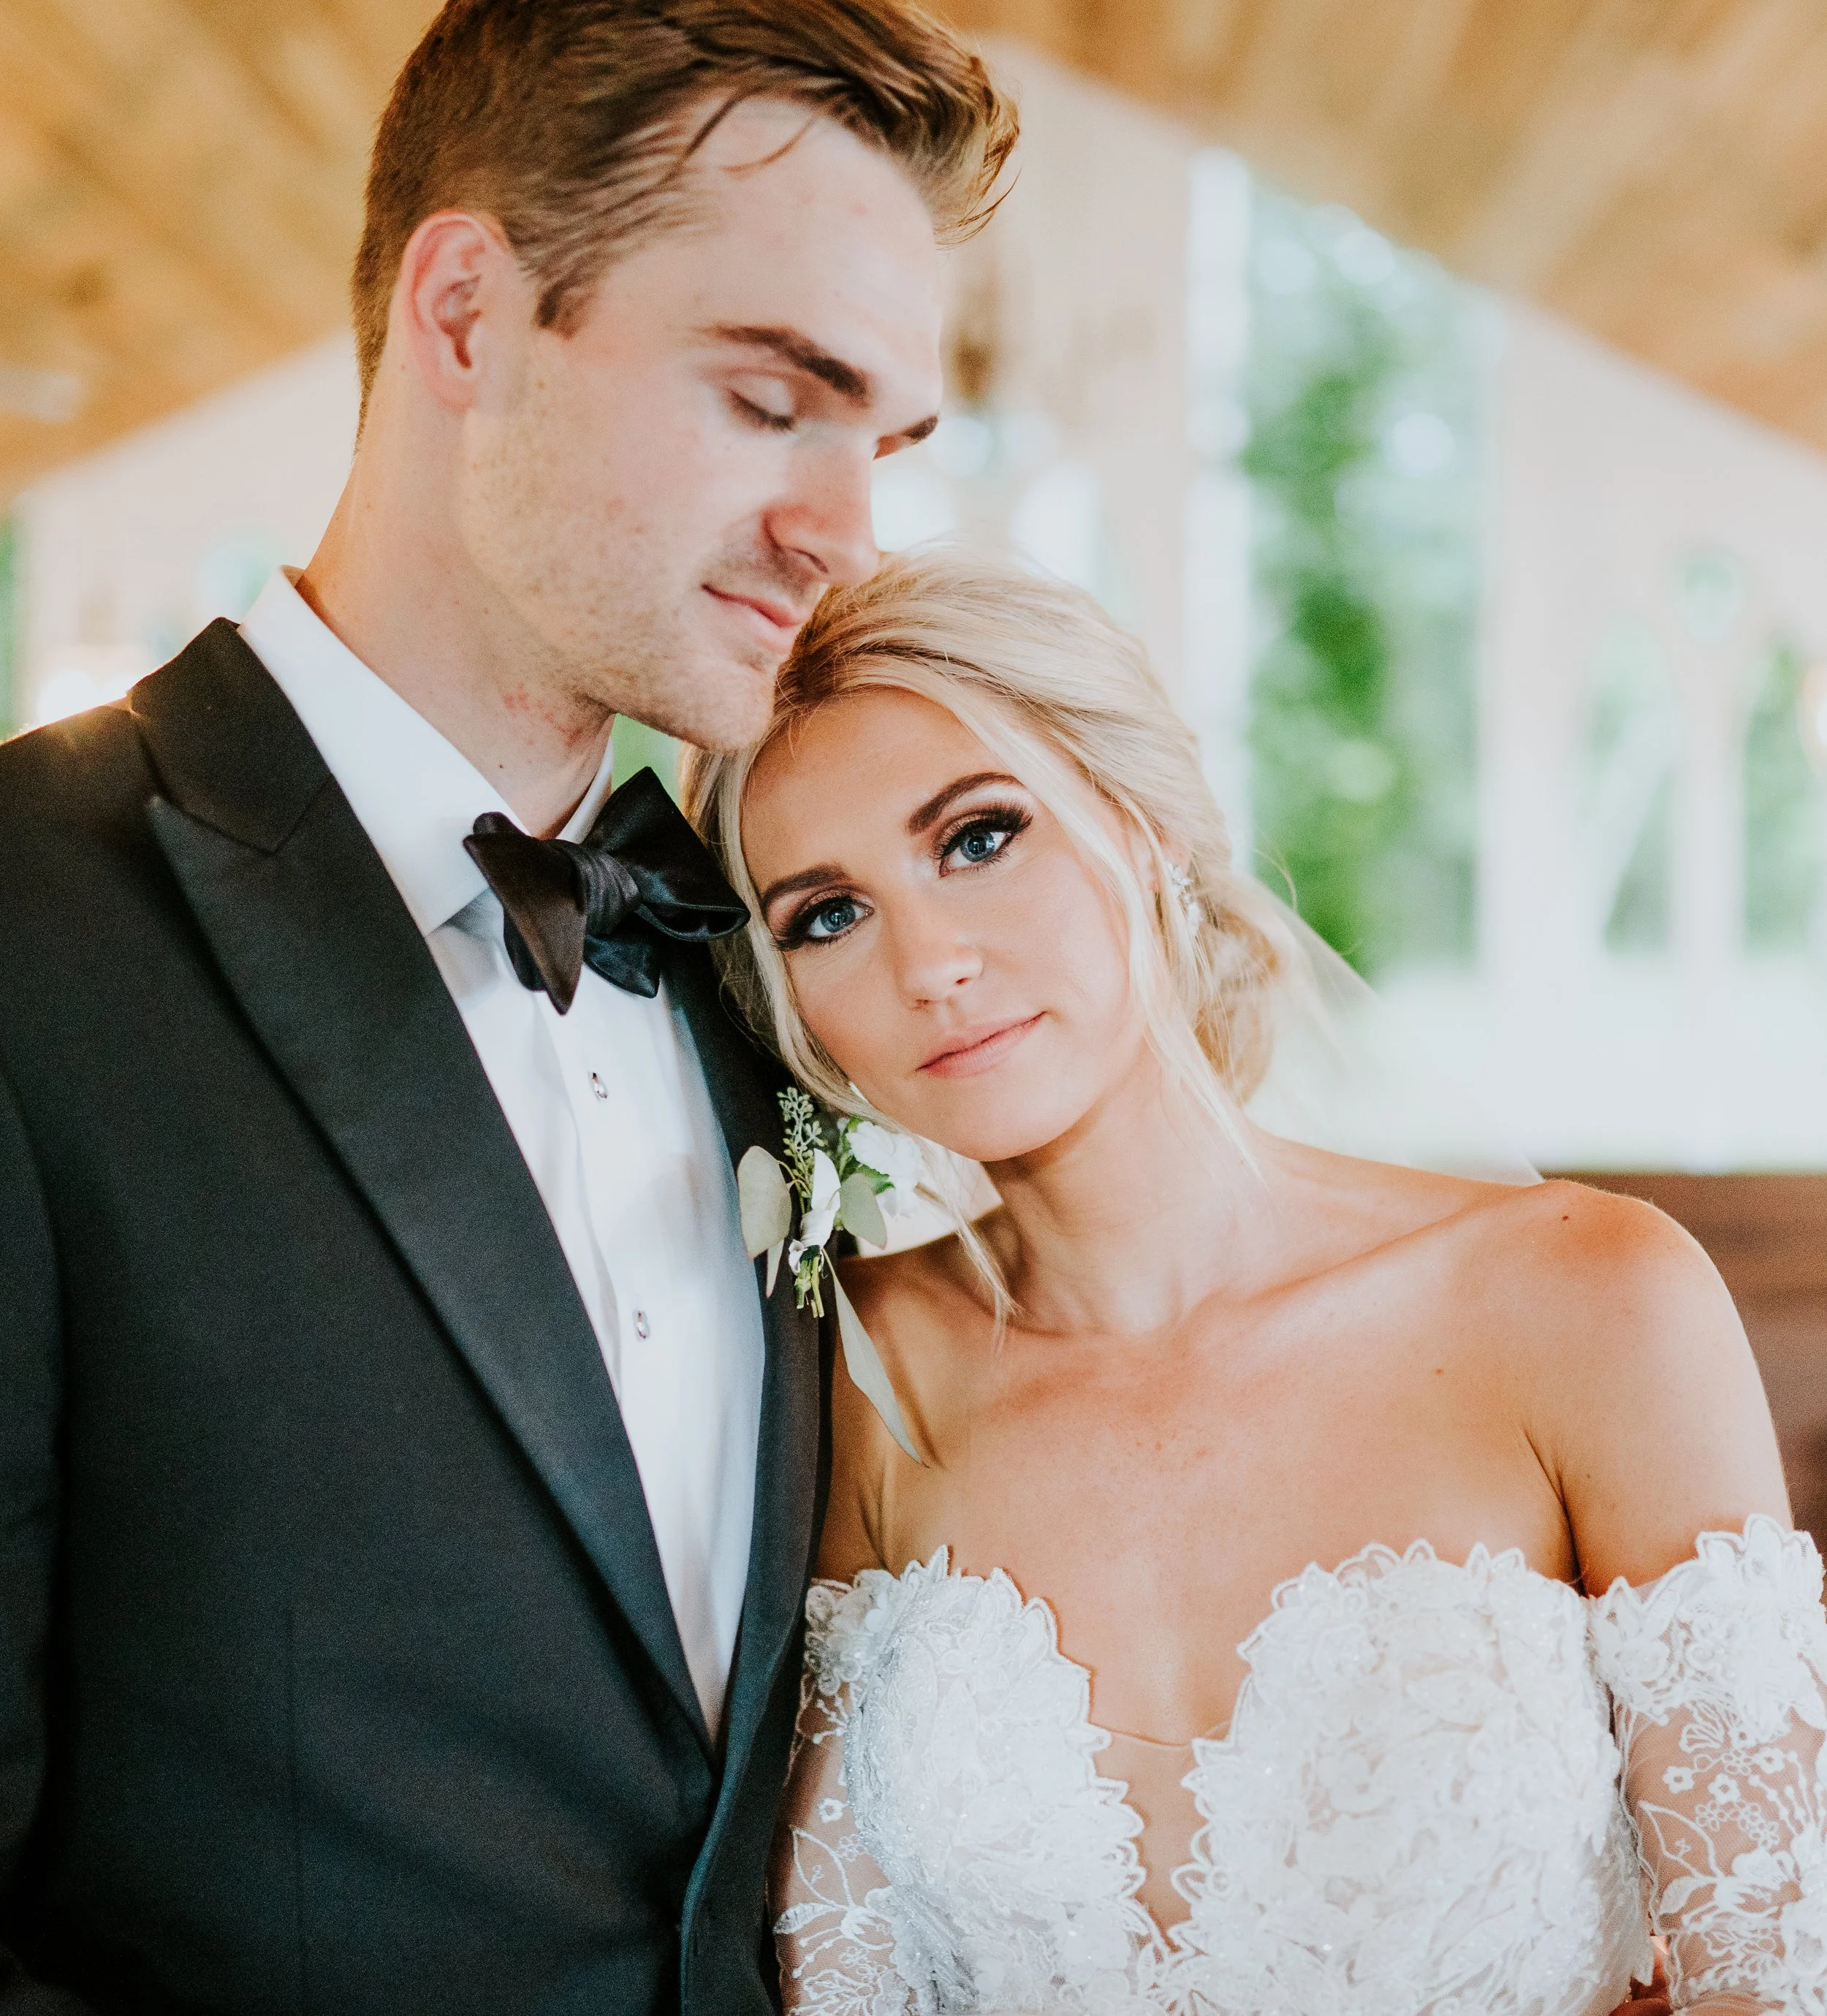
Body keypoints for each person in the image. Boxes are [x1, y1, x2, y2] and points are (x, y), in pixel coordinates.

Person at [0, 7, 1013, 2012]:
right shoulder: (32, 921)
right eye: (768, 397)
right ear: (464, 312)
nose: (847, 529)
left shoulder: (782, 948)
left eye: (878, 440)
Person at [684, 550, 1827, 2015]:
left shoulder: (1588, 1297)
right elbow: (835, 1977)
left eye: (976, 837)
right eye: (823, 914)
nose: (932, 959)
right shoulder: (856, 1367)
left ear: (1147, 826)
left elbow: (1770, 1971)